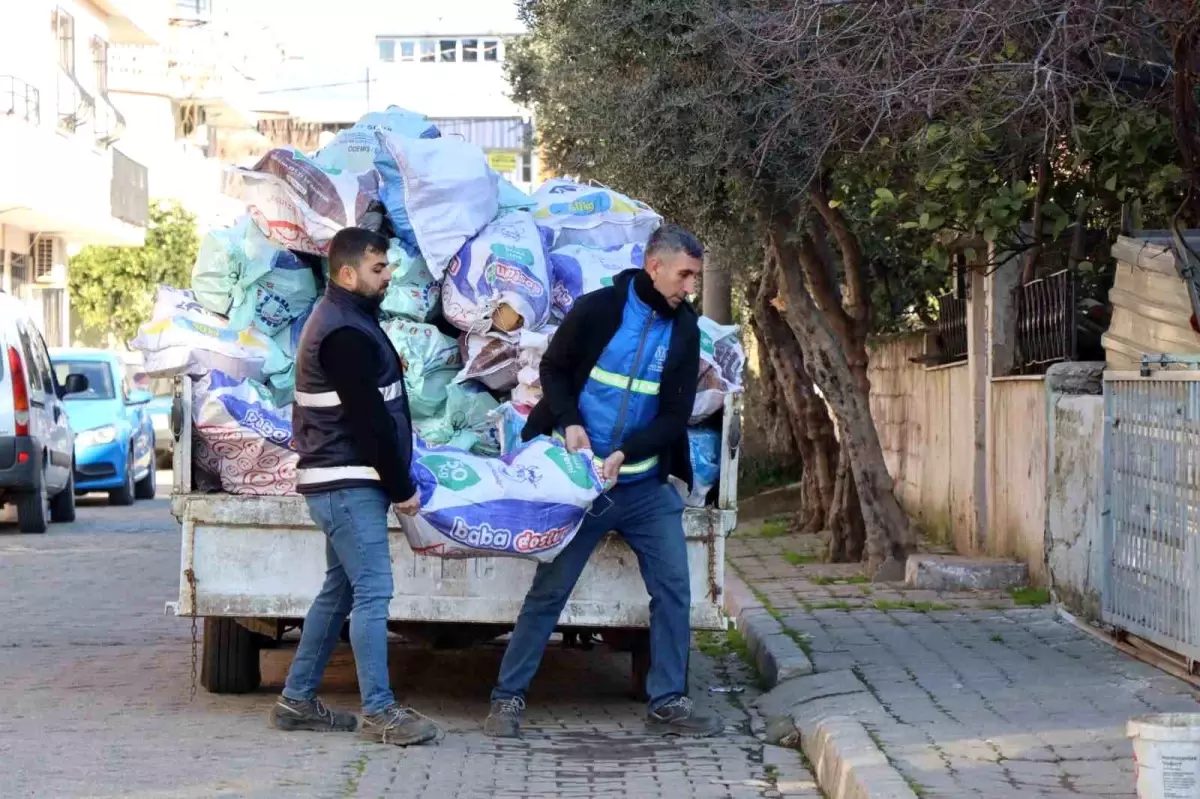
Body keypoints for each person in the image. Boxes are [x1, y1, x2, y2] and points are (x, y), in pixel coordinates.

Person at [484, 224, 723, 739]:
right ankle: (507, 699)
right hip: (580, 485)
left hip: (642, 487)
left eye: (695, 277)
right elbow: (554, 369)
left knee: (675, 590)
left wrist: (626, 453)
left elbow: (675, 413)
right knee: (550, 592)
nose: (689, 287)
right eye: (684, 274)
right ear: (653, 266)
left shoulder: (684, 330)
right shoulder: (598, 309)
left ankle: (668, 701)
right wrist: (569, 421)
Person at [269, 227, 440, 747]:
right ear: (348, 274)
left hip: (338, 482)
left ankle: (296, 700)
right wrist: (400, 486)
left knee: (339, 590)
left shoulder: (349, 321)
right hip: (348, 483)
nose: (388, 276)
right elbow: (368, 422)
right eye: (378, 269)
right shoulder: (343, 332)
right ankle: (380, 712)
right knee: (373, 592)